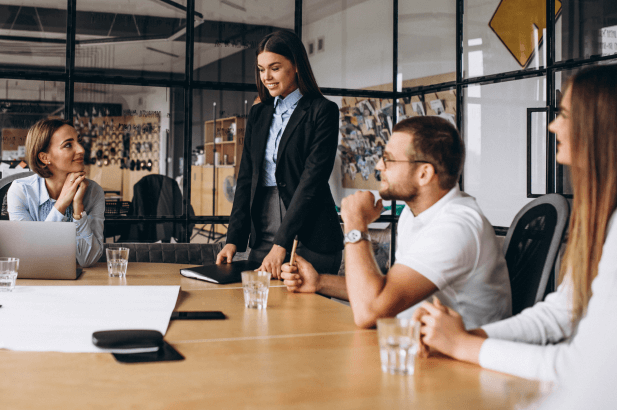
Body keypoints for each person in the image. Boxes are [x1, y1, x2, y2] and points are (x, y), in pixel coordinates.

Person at [416, 65, 617, 388]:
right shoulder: (603, 216)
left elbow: (583, 370)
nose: (552, 126)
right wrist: (465, 337)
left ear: (600, 126)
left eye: (564, 114)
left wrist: (464, 345)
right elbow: (559, 314)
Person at [281, 116, 511, 329]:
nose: (379, 167)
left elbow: (369, 312)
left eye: (388, 159)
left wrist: (355, 224)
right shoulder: (413, 214)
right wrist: (319, 282)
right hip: (419, 347)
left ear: (424, 173)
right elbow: (387, 292)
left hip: (458, 363)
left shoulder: (455, 227)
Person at [216, 30, 343, 277]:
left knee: (303, 314)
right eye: (261, 69)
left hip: (311, 235)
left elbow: (311, 182)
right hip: (264, 229)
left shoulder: (323, 111)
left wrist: (281, 243)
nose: (266, 77)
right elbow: (245, 179)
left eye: (274, 68)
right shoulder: (259, 113)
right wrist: (233, 239)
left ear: (296, 65)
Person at [6, 117, 104, 268]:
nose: (81, 150)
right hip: (35, 282)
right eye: (68, 145)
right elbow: (33, 255)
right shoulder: (21, 191)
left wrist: (78, 208)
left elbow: (88, 260)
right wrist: (61, 204)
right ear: (45, 157)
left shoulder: (93, 191)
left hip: (81, 283)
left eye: (79, 142)